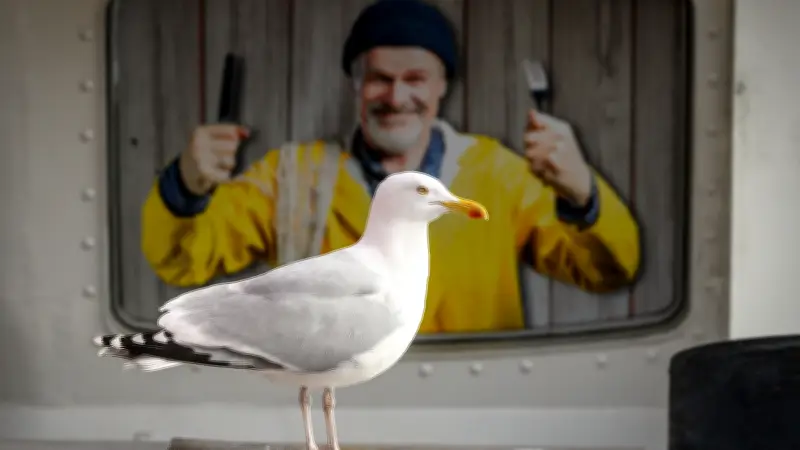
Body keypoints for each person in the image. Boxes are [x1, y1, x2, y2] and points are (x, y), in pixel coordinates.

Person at [140, 0, 641, 334]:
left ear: (443, 86)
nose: (396, 97)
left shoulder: (499, 174)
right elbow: (183, 261)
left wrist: (583, 194)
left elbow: (609, 272)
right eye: (379, 78)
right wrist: (186, 183)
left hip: (473, 409)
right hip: (341, 398)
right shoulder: (289, 176)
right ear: (355, 85)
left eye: (415, 78)